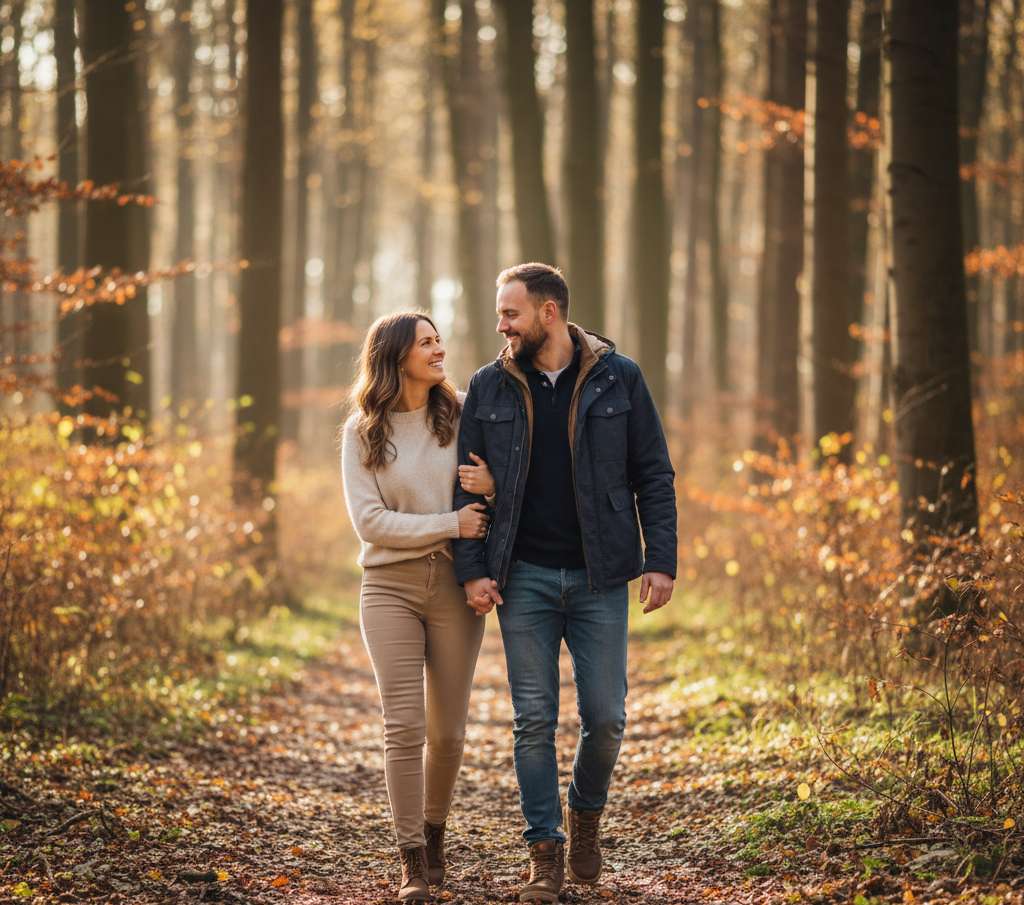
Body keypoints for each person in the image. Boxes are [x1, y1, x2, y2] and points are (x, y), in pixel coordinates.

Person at [452, 263, 677, 902]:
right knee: (533, 719)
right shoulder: (488, 387)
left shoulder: (619, 377)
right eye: (500, 314)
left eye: (510, 314)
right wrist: (473, 573)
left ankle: (584, 814)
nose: (501, 325)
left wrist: (660, 560)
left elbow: (653, 475)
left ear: (549, 313)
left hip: (600, 575)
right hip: (520, 577)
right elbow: (461, 490)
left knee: (606, 718)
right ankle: (544, 852)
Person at [341, 311, 497, 902]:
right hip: (388, 587)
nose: (439, 349)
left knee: (449, 732)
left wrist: (488, 490)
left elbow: (494, 482)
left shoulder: (461, 414)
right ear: (395, 357)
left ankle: (435, 836)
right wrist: (449, 524)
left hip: (456, 586)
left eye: (438, 340)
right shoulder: (362, 431)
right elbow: (369, 522)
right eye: (425, 343)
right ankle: (410, 860)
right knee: (402, 724)